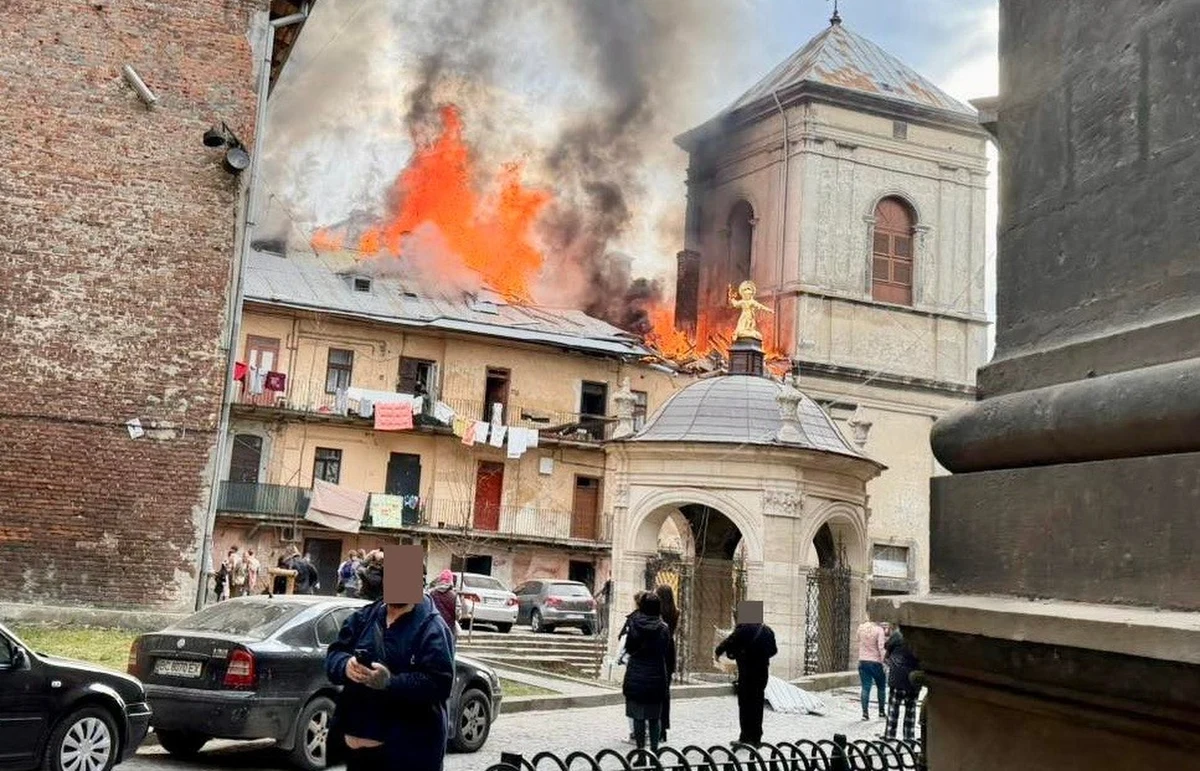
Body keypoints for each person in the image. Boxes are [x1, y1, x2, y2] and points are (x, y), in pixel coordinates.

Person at [324, 550, 456, 771]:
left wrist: (390, 682)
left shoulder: (432, 628)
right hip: (359, 756)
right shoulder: (364, 617)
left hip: (408, 756)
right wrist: (345, 666)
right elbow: (334, 655)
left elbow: (440, 684)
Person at [622, 593, 675, 755]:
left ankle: (640, 751)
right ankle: (654, 751)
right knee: (654, 716)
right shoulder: (664, 628)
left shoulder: (634, 624)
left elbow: (629, 647)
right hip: (656, 673)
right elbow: (665, 649)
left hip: (636, 672)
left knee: (637, 715)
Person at [715, 615, 777, 745]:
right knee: (758, 703)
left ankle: (745, 737)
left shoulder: (741, 630)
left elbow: (726, 645)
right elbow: (773, 650)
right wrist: (761, 656)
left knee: (745, 705)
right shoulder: (767, 631)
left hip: (747, 673)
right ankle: (756, 737)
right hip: (762, 673)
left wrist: (721, 653)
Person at [883, 627, 920, 741]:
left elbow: (887, 646)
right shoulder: (919, 636)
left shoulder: (898, 634)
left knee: (894, 708)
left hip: (897, 676)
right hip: (913, 677)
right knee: (911, 708)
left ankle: (890, 735)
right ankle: (909, 736)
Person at [654, 584, 680, 744]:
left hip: (659, 648)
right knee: (665, 691)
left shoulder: (656, 612)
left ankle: (654, 725)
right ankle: (664, 728)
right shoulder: (675, 612)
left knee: (655, 690)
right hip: (670, 649)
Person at [857, 618, 888, 721]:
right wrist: (884, 662)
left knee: (865, 687)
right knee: (881, 687)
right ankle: (881, 712)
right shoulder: (879, 630)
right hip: (876, 662)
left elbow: (859, 641)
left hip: (863, 660)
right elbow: (881, 647)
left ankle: (865, 714)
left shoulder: (861, 628)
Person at [428, 569, 458, 638]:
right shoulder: (454, 595)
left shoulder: (432, 593)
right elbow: (458, 613)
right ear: (451, 581)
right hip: (450, 626)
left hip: (434, 626)